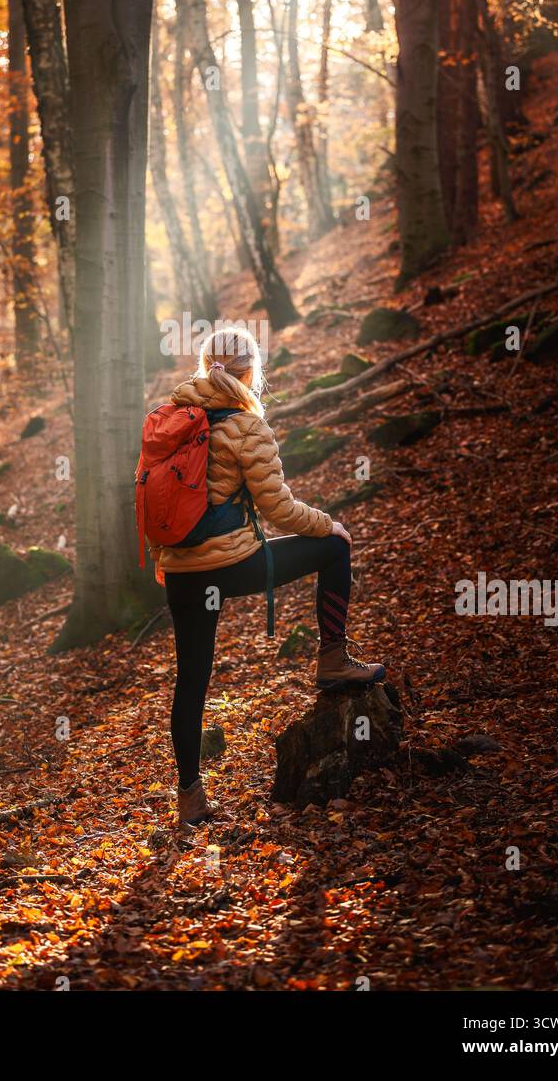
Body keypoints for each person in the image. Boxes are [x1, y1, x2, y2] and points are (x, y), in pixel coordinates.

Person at [148, 325, 386, 828]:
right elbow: (279, 509)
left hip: (182, 571)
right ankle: (333, 659)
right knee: (332, 549)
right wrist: (330, 524)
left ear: (204, 366)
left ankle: (189, 800)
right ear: (250, 371)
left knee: (191, 680)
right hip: (231, 566)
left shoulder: (170, 420)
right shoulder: (245, 427)